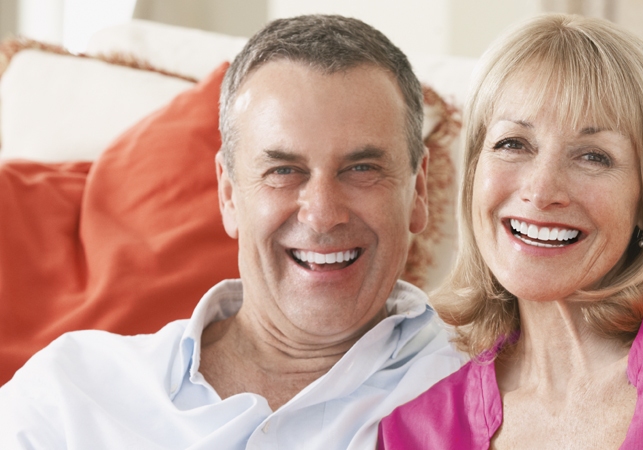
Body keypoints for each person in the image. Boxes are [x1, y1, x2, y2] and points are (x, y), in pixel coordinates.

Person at [0, 15, 465, 449]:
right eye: (284, 170)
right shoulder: (72, 387)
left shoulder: (490, 390)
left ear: (418, 191)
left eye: (361, 168)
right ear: (228, 193)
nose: (323, 214)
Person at [377, 14, 643, 448]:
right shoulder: (416, 426)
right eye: (513, 144)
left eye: (593, 156)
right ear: (473, 175)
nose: (542, 190)